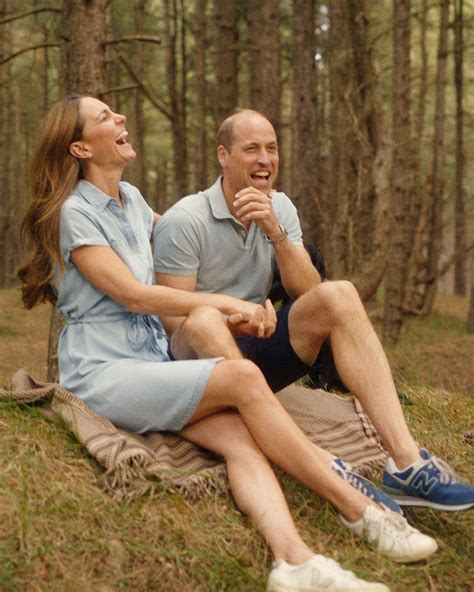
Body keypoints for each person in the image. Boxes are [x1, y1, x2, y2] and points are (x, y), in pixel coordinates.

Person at [18, 96, 435, 592]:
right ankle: (357, 505)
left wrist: (255, 259)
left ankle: (294, 561)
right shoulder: (74, 213)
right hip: (103, 370)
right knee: (242, 378)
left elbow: (179, 231)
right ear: (80, 147)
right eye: (105, 117)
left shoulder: (131, 200)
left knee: (241, 440)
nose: (120, 118)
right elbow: (133, 295)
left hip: (153, 363)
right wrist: (227, 304)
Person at [153, 107, 474, 516]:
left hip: (258, 350)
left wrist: (275, 232)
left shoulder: (280, 208)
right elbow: (172, 323)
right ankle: (310, 457)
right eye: (251, 149)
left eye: (271, 148)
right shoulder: (185, 220)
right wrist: (232, 319)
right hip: (201, 368)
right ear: (223, 156)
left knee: (339, 294)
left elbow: (308, 292)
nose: (264, 160)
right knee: (202, 321)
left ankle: (406, 462)